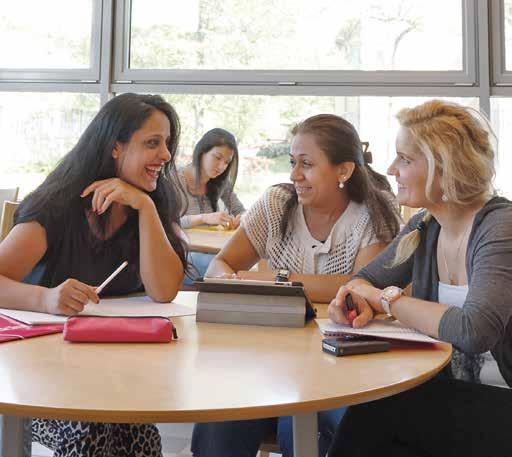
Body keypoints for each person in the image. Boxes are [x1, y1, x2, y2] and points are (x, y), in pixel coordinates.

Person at [191, 114, 401, 457]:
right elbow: (219, 268)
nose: (294, 175)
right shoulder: (277, 204)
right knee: (218, 423)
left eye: (306, 164)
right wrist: (245, 279)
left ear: (343, 171)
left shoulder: (373, 211)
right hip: (266, 358)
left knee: (302, 419)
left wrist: (278, 280)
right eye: (292, 162)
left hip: (338, 366)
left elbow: (360, 288)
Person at [0, 93, 187, 457]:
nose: (165, 155)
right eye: (153, 143)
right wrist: (46, 298)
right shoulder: (56, 208)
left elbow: (164, 291)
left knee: (141, 439)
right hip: (39, 369)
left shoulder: (152, 204)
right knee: (91, 431)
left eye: (167, 143)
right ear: (115, 147)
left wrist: (145, 207)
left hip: (116, 371)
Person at [327, 100, 512, 457]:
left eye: (406, 159)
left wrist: (386, 300)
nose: (391, 169)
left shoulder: (500, 227)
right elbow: (361, 281)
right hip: (459, 401)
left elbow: (475, 330)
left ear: (447, 169)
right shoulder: (424, 227)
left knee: (380, 409)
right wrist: (354, 301)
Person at [178, 128, 245, 281]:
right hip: (182, 253)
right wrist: (203, 218)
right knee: (228, 271)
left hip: (211, 251)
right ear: (202, 152)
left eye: (227, 162)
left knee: (240, 265)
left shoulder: (220, 183)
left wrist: (241, 219)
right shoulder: (174, 179)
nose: (221, 167)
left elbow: (241, 210)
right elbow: (167, 222)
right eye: (217, 157)